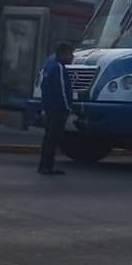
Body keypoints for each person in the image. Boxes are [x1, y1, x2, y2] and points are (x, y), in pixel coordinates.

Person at [38, 42, 75, 176]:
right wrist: (68, 107)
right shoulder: (59, 67)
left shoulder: (49, 63)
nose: (72, 57)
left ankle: (44, 165)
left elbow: (43, 86)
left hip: (49, 107)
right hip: (58, 109)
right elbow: (62, 90)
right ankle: (47, 166)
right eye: (70, 54)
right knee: (53, 139)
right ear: (63, 54)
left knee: (48, 138)